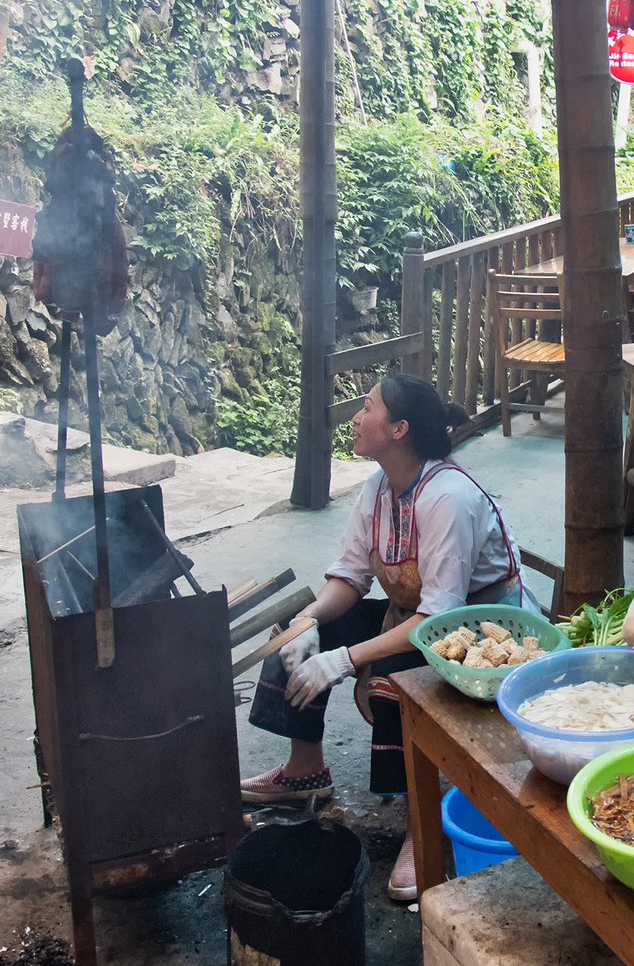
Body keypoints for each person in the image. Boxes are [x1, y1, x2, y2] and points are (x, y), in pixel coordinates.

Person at [239, 373, 535, 901]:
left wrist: (348, 660)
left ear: (399, 429)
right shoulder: (377, 487)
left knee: (394, 682)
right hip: (416, 615)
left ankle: (418, 829)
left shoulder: (447, 496)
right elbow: (349, 578)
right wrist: (308, 623)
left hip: (483, 630)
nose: (356, 416)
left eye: (368, 408)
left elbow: (438, 621)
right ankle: (305, 771)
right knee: (297, 635)